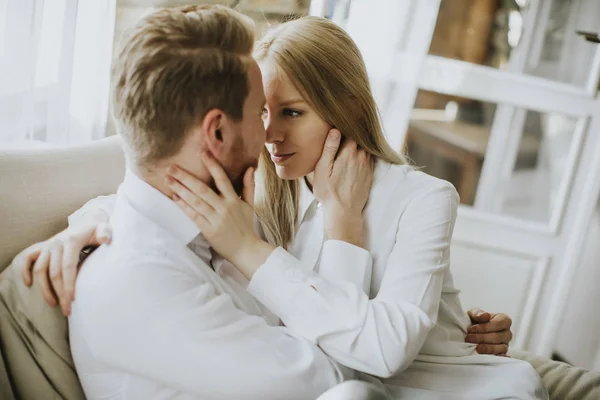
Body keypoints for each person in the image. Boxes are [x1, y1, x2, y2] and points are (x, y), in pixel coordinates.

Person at [13, 9, 543, 400]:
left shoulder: (423, 198)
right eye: (261, 113)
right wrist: (82, 229)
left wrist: (340, 235)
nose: (269, 134)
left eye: (290, 113)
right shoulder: (260, 193)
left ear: (344, 107)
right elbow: (151, 204)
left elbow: (379, 355)